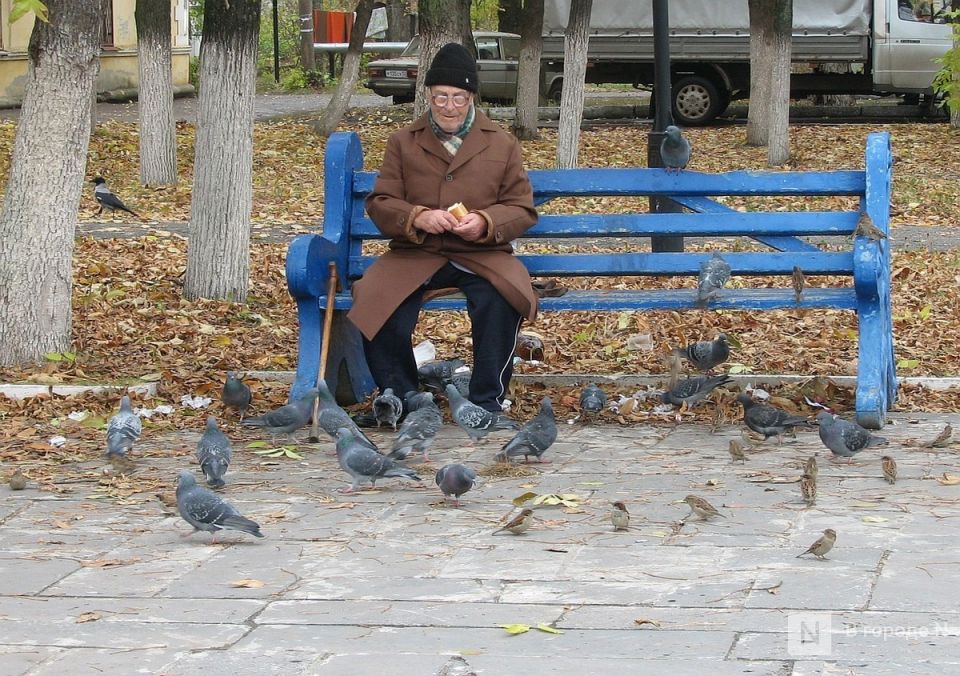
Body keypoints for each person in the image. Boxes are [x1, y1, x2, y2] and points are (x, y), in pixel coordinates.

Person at [347, 42, 539, 422]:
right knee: (375, 298)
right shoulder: (404, 142)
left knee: (501, 300)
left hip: (482, 254)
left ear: (471, 97)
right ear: (428, 96)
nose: (449, 107)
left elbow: (521, 208)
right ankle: (400, 397)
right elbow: (381, 201)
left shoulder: (502, 142)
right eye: (440, 98)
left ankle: (486, 401)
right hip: (417, 253)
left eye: (458, 98)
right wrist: (416, 216)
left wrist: (486, 222)